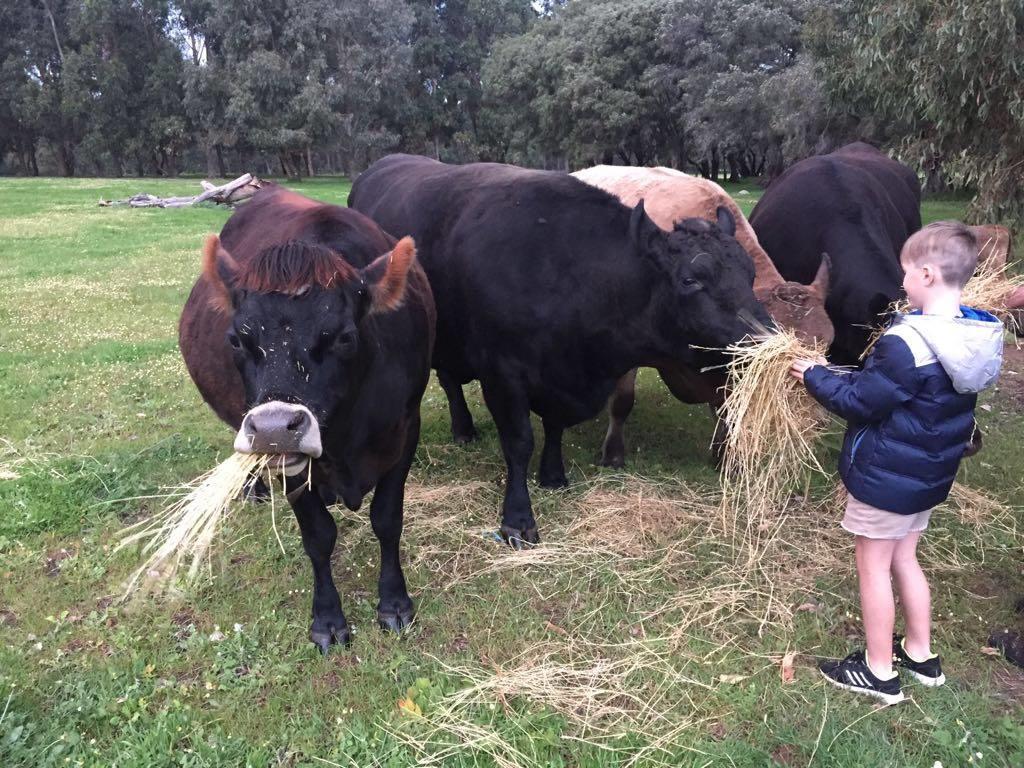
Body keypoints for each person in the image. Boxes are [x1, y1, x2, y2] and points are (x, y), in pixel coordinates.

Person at [791, 221, 1004, 704]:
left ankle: (879, 671)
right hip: (928, 476)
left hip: (886, 478)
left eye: (905, 273)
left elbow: (862, 402)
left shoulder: (907, 343)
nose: (900, 283)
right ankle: (921, 654)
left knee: (873, 566)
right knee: (906, 557)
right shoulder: (974, 334)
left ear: (927, 275)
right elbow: (906, 393)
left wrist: (814, 375)